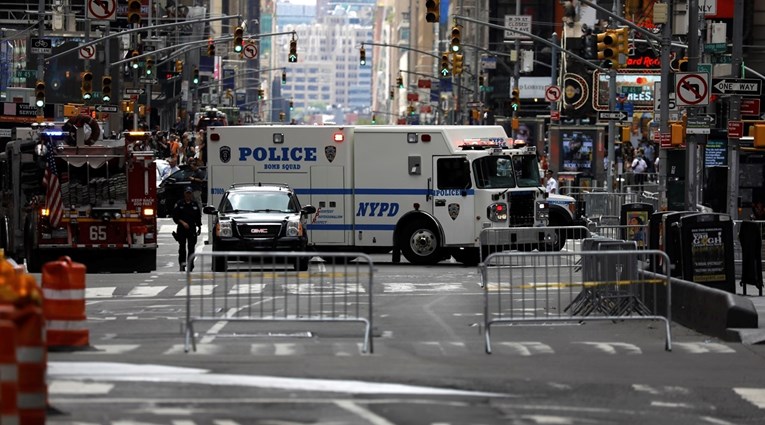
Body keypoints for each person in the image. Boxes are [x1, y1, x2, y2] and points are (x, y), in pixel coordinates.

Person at [172, 187, 202, 272]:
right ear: (184, 194)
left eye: (190, 193)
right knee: (182, 248)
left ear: (191, 194)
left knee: (191, 248)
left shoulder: (194, 204)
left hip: (192, 229)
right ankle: (182, 264)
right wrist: (182, 222)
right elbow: (175, 216)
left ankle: (190, 264)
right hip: (182, 229)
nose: (188, 195)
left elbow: (198, 217)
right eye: (187, 193)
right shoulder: (180, 204)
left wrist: (199, 227)